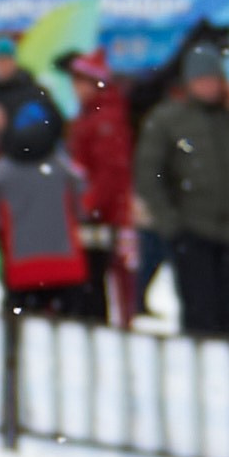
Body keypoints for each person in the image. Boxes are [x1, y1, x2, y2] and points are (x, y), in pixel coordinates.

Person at [132, 42, 229, 340]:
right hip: (193, 233)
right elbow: (149, 175)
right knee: (199, 317)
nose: (208, 87)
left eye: (213, 80)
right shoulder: (168, 119)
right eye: (201, 80)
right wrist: (171, 225)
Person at [0, 99, 87, 316]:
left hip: (20, 265)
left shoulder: (3, 170)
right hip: (64, 263)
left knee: (24, 330)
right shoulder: (62, 165)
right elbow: (82, 205)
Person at [63, 54, 134, 323]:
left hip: (101, 217)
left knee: (94, 285)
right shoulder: (90, 115)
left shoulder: (104, 119)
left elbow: (109, 175)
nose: (75, 88)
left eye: (80, 82)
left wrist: (87, 206)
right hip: (95, 214)